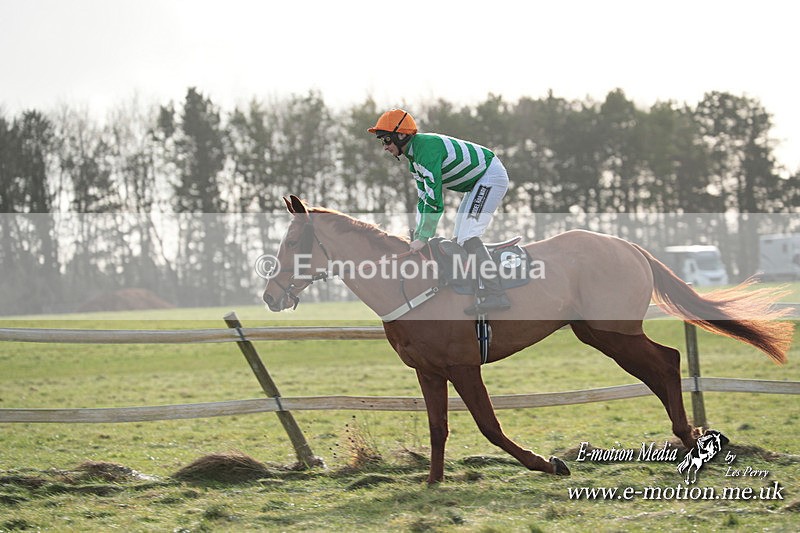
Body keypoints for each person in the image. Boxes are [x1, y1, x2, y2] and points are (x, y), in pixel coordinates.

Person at [368, 108, 511, 314]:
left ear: (401, 135)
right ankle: (476, 288)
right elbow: (423, 200)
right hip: (478, 182)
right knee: (460, 237)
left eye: (386, 140)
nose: (385, 147)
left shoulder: (426, 152)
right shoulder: (414, 161)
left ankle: (496, 294)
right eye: (382, 141)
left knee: (468, 235)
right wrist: (417, 235)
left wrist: (424, 237)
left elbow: (435, 202)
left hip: (490, 176)